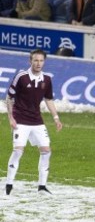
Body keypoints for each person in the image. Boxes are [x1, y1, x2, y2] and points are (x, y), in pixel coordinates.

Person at [5, 49, 63, 196]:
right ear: (30, 61)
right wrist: (11, 118)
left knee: (46, 151)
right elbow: (9, 98)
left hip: (36, 120)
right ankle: (9, 184)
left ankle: (42, 186)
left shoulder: (47, 80)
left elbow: (48, 100)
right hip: (20, 119)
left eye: (41, 60)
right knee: (18, 151)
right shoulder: (21, 77)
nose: (38, 63)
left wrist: (56, 118)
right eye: (35, 60)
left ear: (44, 62)